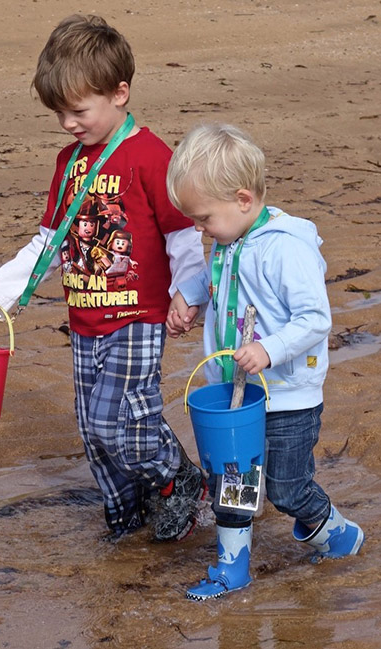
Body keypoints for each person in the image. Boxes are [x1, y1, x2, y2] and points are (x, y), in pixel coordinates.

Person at [0, 14, 208, 542]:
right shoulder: (68, 163)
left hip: (137, 315)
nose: (67, 124)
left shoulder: (150, 156)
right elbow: (48, 244)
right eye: (59, 113)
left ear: (120, 93)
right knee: (94, 431)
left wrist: (187, 292)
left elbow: (182, 236)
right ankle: (124, 515)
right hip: (83, 319)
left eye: (78, 111)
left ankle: (178, 481)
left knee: (116, 422)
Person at [165, 122, 365, 600]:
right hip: (238, 392)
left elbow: (315, 318)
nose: (199, 229)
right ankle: (232, 567)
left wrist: (269, 349)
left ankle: (338, 534)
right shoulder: (229, 236)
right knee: (233, 481)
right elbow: (219, 280)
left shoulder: (286, 247)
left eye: (204, 218)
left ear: (243, 200)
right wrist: (189, 298)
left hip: (289, 396)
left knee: (286, 490)